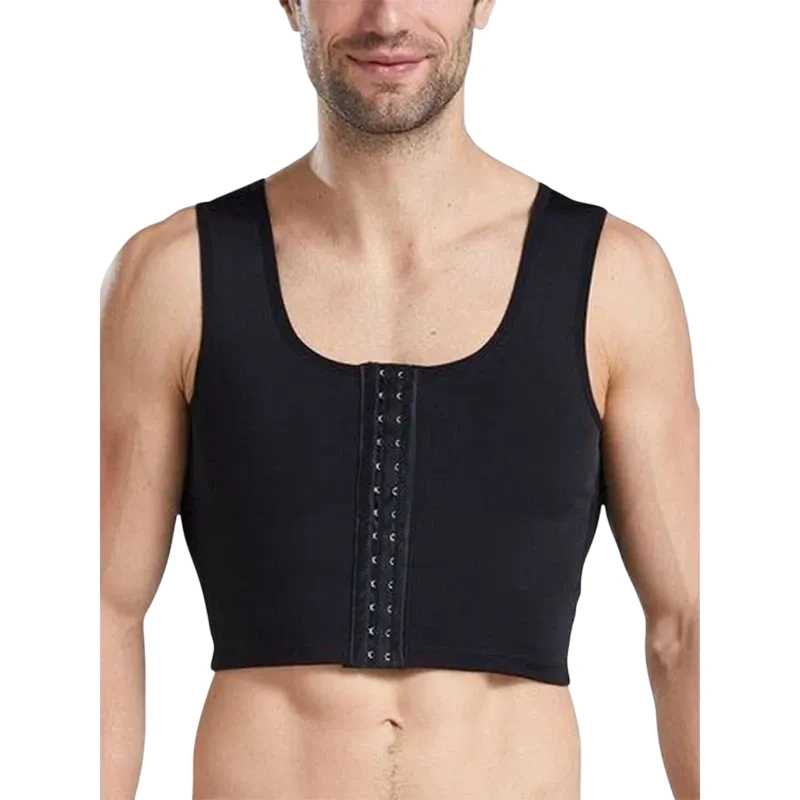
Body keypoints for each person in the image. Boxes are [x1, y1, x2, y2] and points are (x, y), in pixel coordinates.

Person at [100, 1, 700, 797]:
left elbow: (688, 629)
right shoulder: (173, 277)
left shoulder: (617, 282)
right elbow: (97, 618)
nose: (386, 17)